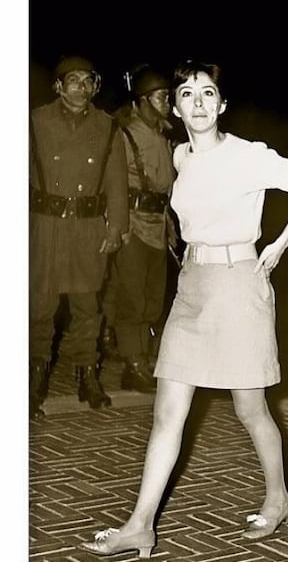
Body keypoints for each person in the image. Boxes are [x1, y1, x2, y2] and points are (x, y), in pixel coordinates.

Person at [79, 61, 288, 557]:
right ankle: (139, 524)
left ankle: (279, 498)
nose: (198, 102)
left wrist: (277, 245)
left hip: (239, 287)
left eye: (208, 93)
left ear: (222, 104)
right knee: (167, 413)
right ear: (174, 108)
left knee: (250, 408)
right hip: (192, 288)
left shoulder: (248, 155)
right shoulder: (179, 157)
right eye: (187, 94)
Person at [29, 55, 128, 418]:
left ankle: (87, 376)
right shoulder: (35, 121)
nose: (82, 88)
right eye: (74, 80)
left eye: (89, 81)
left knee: (88, 308)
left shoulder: (107, 126)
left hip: (87, 231)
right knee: (40, 307)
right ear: (59, 86)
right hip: (45, 226)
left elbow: (117, 181)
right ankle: (34, 376)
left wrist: (116, 227)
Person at [105, 66, 179, 393]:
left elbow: (167, 190)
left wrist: (171, 225)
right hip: (132, 224)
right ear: (143, 100)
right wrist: (117, 226)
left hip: (158, 224)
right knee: (132, 299)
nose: (169, 103)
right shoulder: (124, 133)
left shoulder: (164, 134)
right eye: (163, 97)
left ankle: (141, 357)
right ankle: (134, 364)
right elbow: (113, 186)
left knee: (153, 300)